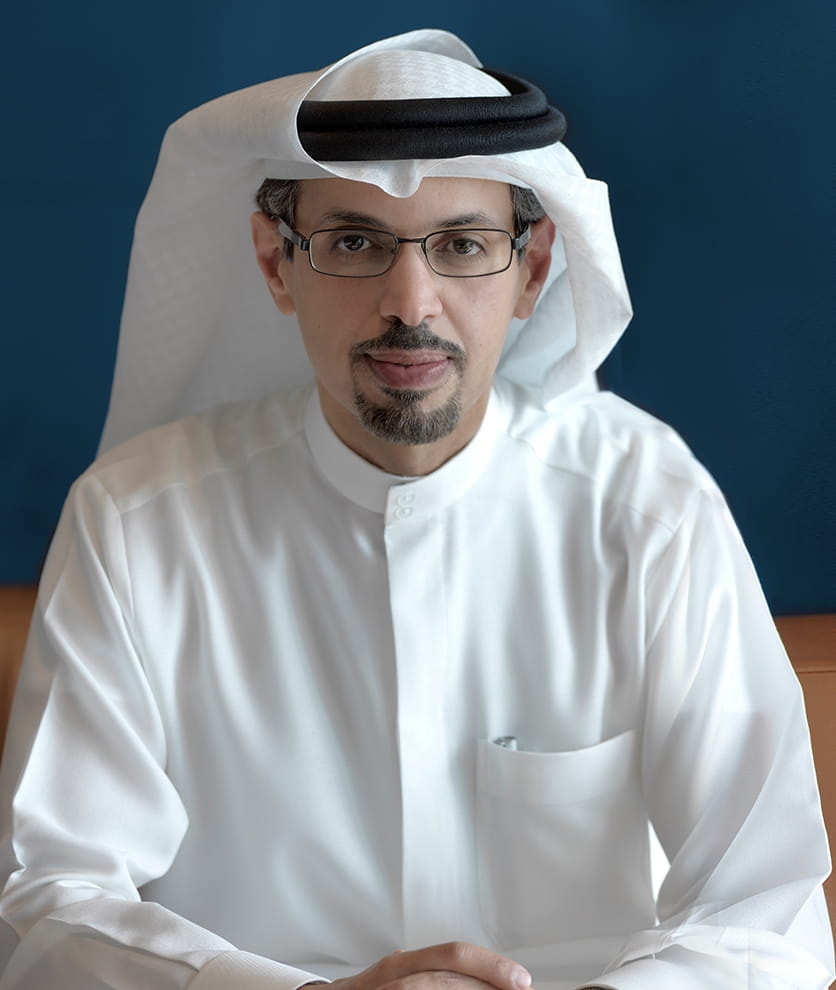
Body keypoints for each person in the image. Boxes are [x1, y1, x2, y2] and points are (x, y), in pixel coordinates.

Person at [0, 28, 832, 990]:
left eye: (463, 245)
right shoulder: (135, 523)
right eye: (355, 242)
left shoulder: (648, 508)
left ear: (532, 269)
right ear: (275, 262)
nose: (411, 302)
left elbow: (770, 917)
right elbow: (52, 903)